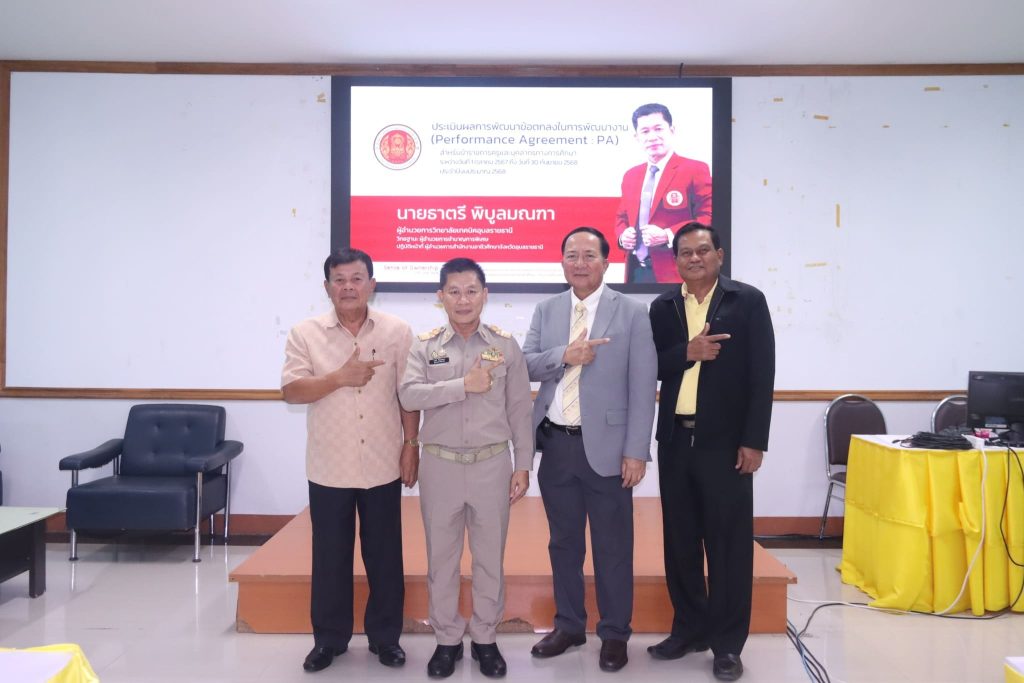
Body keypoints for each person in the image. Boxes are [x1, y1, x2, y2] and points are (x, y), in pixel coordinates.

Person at [523, 227, 657, 672]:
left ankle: (615, 633)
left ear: (606, 262)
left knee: (612, 547)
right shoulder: (547, 309)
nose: (579, 263)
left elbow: (643, 386)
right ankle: (569, 625)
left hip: (610, 451)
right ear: (562, 261)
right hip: (556, 445)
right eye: (571, 255)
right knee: (563, 544)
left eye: (589, 255)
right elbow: (525, 363)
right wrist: (565, 354)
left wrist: (636, 450)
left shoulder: (632, 312)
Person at [281, 248, 420, 673]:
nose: (348, 287)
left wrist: (411, 444)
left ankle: (385, 639)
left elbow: (408, 394)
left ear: (371, 284)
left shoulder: (397, 332)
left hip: (382, 462)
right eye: (339, 280)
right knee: (330, 558)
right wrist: (338, 378)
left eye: (357, 279)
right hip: (330, 466)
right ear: (326, 287)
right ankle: (329, 640)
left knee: (385, 556)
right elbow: (291, 391)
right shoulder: (305, 333)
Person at [647, 222, 775, 682]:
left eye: (703, 250)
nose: (694, 258)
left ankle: (727, 645)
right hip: (675, 442)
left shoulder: (747, 301)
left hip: (726, 446)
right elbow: (651, 366)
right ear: (676, 260)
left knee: (728, 548)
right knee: (680, 543)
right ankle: (689, 630)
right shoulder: (662, 307)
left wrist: (754, 441)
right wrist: (689, 351)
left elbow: (762, 374)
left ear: (719, 255)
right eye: (685, 252)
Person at [399, 258, 534, 679]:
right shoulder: (425, 346)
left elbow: (519, 409)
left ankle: (486, 638)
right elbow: (409, 395)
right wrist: (462, 385)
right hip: (440, 465)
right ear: (440, 297)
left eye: (471, 291)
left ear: (485, 295)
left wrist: (523, 465)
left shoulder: (505, 345)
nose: (463, 300)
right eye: (454, 292)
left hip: (492, 464)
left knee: (490, 558)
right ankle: (446, 640)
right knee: (441, 559)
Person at [614, 103, 713, 284]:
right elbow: (622, 217)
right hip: (636, 271)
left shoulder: (695, 169)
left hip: (677, 274)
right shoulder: (631, 175)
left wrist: (669, 235)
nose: (652, 137)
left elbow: (708, 217)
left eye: (658, 129)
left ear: (672, 130)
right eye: (645, 131)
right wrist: (623, 236)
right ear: (637, 137)